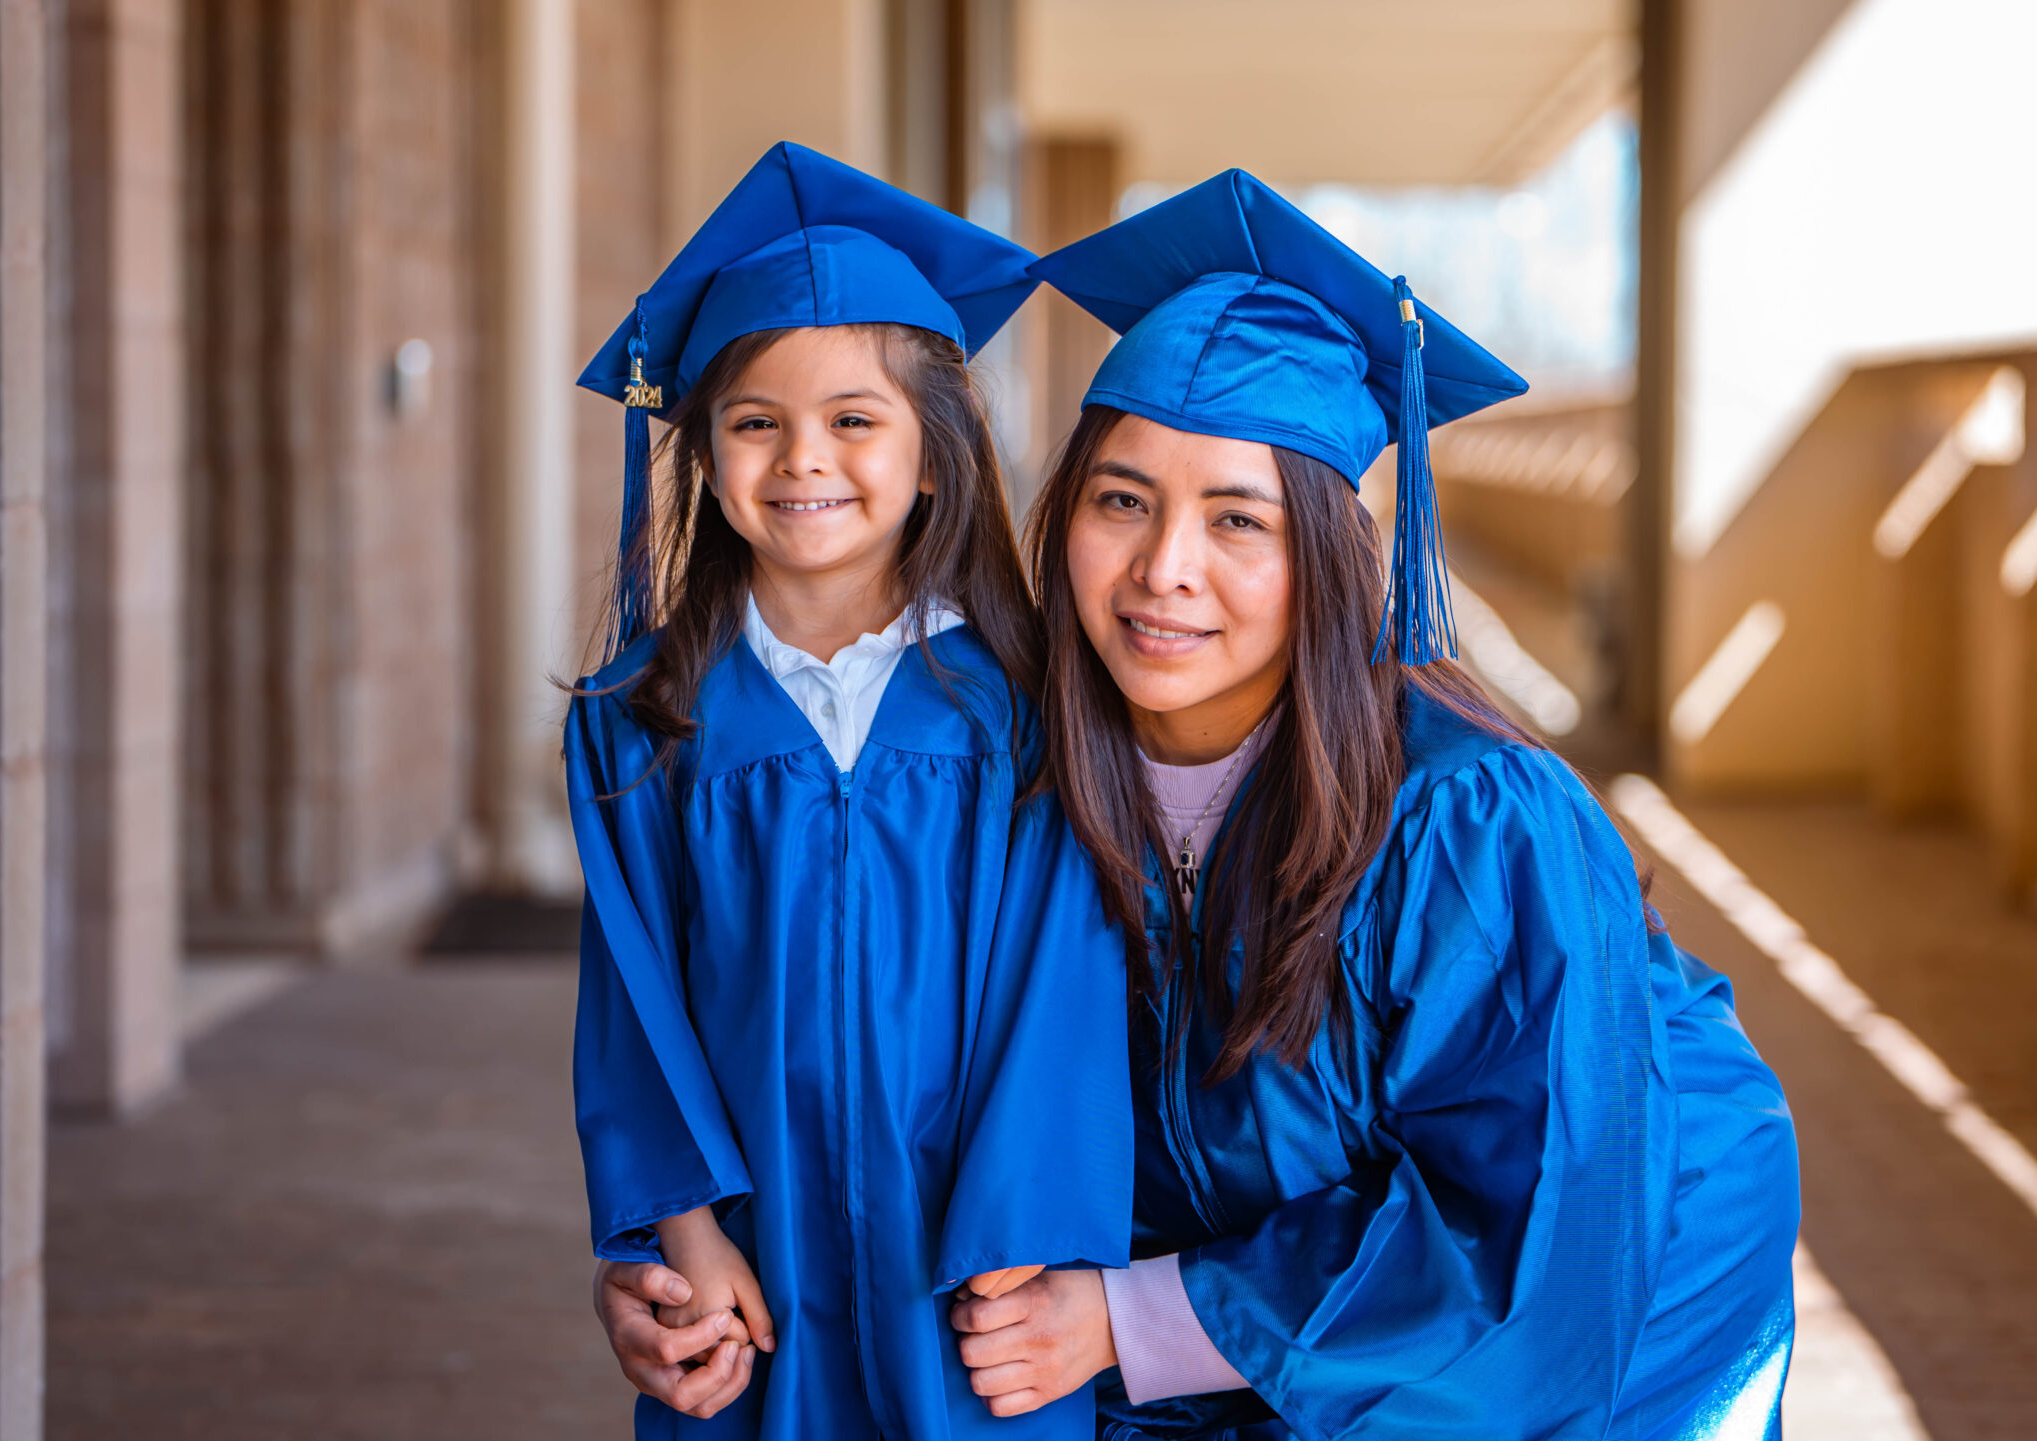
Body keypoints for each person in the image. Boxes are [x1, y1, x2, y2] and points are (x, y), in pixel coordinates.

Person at [948, 170, 1804, 1439]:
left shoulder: (1472, 818)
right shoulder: (1020, 773)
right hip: (1269, 1300)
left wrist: (1131, 1319)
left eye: (1238, 519)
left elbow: (1522, 1227)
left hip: (1619, 1295)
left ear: (1331, 558)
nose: (1161, 570)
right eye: (1120, 500)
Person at [566, 141, 1131, 1440]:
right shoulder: (641, 716)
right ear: (703, 453)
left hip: (971, 1255)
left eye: (855, 421)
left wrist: (1026, 1242)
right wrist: (685, 1231)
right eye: (755, 421)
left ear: (935, 455)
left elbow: (1062, 981)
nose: (802, 457)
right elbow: (633, 1000)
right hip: (753, 1264)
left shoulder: (1026, 703)